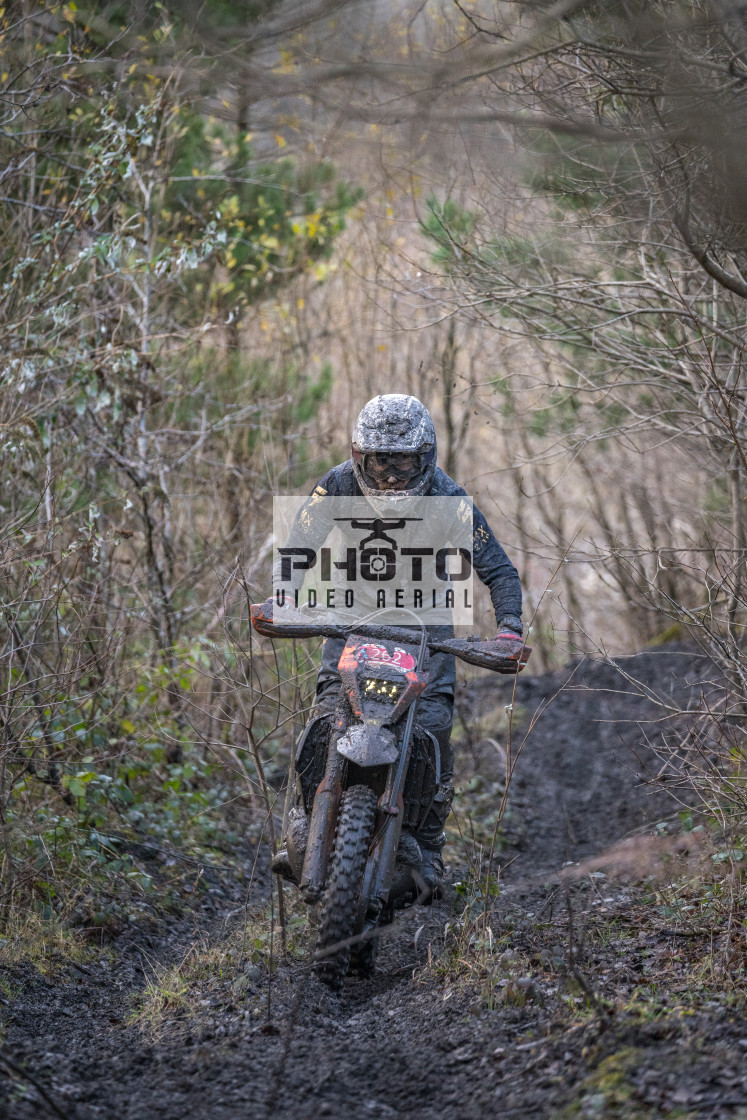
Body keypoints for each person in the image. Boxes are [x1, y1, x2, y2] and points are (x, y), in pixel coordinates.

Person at [272, 394, 523, 898]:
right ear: (359, 456)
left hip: (427, 636)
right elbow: (297, 549)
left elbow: (497, 568)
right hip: (350, 627)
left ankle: (427, 848)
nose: (389, 475)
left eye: (401, 461)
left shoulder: (449, 498)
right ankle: (304, 822)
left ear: (424, 458)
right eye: (379, 461)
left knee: (431, 735)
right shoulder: (336, 485)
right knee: (324, 722)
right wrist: (284, 599)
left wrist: (510, 628)